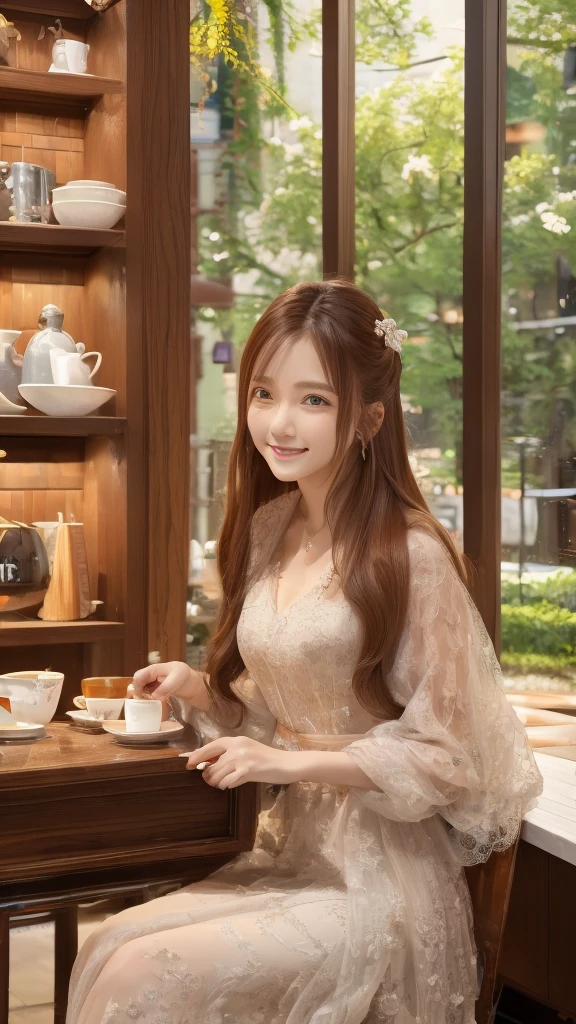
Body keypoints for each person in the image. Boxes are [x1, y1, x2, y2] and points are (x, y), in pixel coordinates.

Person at [67, 280, 542, 1024]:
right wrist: (200, 690)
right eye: (264, 393)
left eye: (314, 400)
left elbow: (449, 756)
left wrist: (289, 764)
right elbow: (280, 715)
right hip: (288, 850)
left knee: (138, 971)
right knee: (107, 945)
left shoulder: (410, 554)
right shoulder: (270, 529)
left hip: (379, 880)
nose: (280, 422)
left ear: (370, 419)